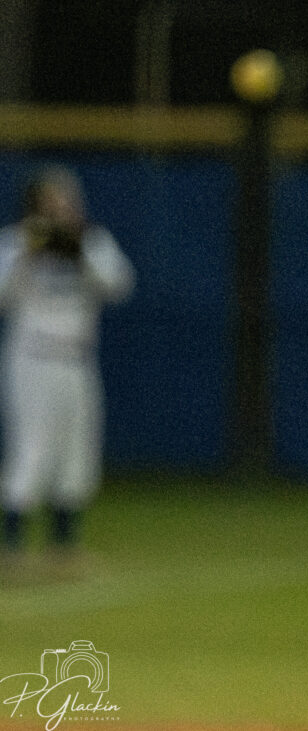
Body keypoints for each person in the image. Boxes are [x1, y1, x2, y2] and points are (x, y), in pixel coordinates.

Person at [0, 165, 135, 571]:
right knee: (32, 445)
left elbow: (120, 285)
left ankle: (64, 543)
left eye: (67, 199)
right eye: (53, 200)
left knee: (78, 446)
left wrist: (81, 254)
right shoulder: (15, 243)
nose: (62, 208)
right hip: (33, 357)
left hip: (76, 359)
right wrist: (29, 252)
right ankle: (13, 543)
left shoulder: (90, 241)